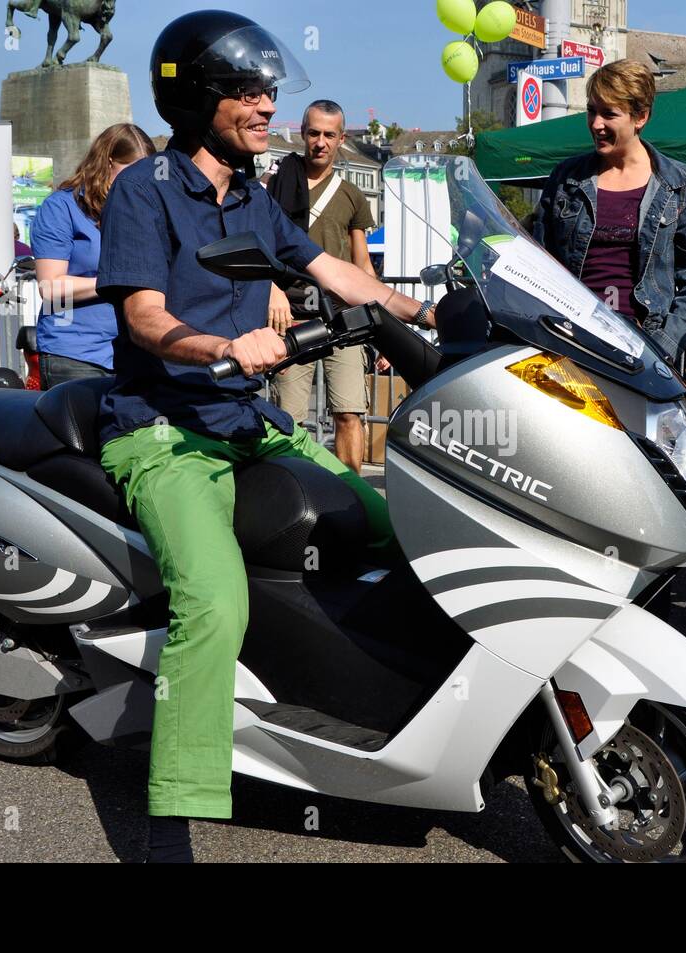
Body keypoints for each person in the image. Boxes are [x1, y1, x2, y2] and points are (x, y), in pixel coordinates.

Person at [94, 10, 434, 863]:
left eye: (268, 90)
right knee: (213, 602)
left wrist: (426, 311)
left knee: (395, 518)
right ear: (202, 96)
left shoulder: (254, 196)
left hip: (250, 424)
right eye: (247, 91)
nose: (266, 105)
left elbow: (334, 270)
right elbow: (142, 316)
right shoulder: (146, 190)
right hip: (165, 431)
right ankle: (173, 808)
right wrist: (220, 346)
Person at [532, 59, 686, 367]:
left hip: (644, 347)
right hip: (570, 339)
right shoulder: (566, 177)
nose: (596, 124)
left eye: (609, 114)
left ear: (640, 117)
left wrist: (662, 346)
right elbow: (539, 259)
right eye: (592, 110)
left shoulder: (680, 183)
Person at [266, 99, 377, 474]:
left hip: (341, 317)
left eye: (330, 135)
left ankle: (355, 499)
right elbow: (259, 251)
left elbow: (363, 265)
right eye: (314, 133)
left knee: (349, 413)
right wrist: (272, 291)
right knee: (288, 420)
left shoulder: (352, 196)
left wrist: (383, 324)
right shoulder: (272, 186)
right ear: (302, 133)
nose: (320, 142)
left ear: (342, 139)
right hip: (290, 315)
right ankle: (292, 493)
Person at [33, 123, 156, 389]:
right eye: (131, 172)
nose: (140, 183)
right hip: (74, 355)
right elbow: (51, 287)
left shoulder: (141, 210)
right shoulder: (61, 208)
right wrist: (114, 282)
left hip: (134, 354)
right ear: (107, 163)